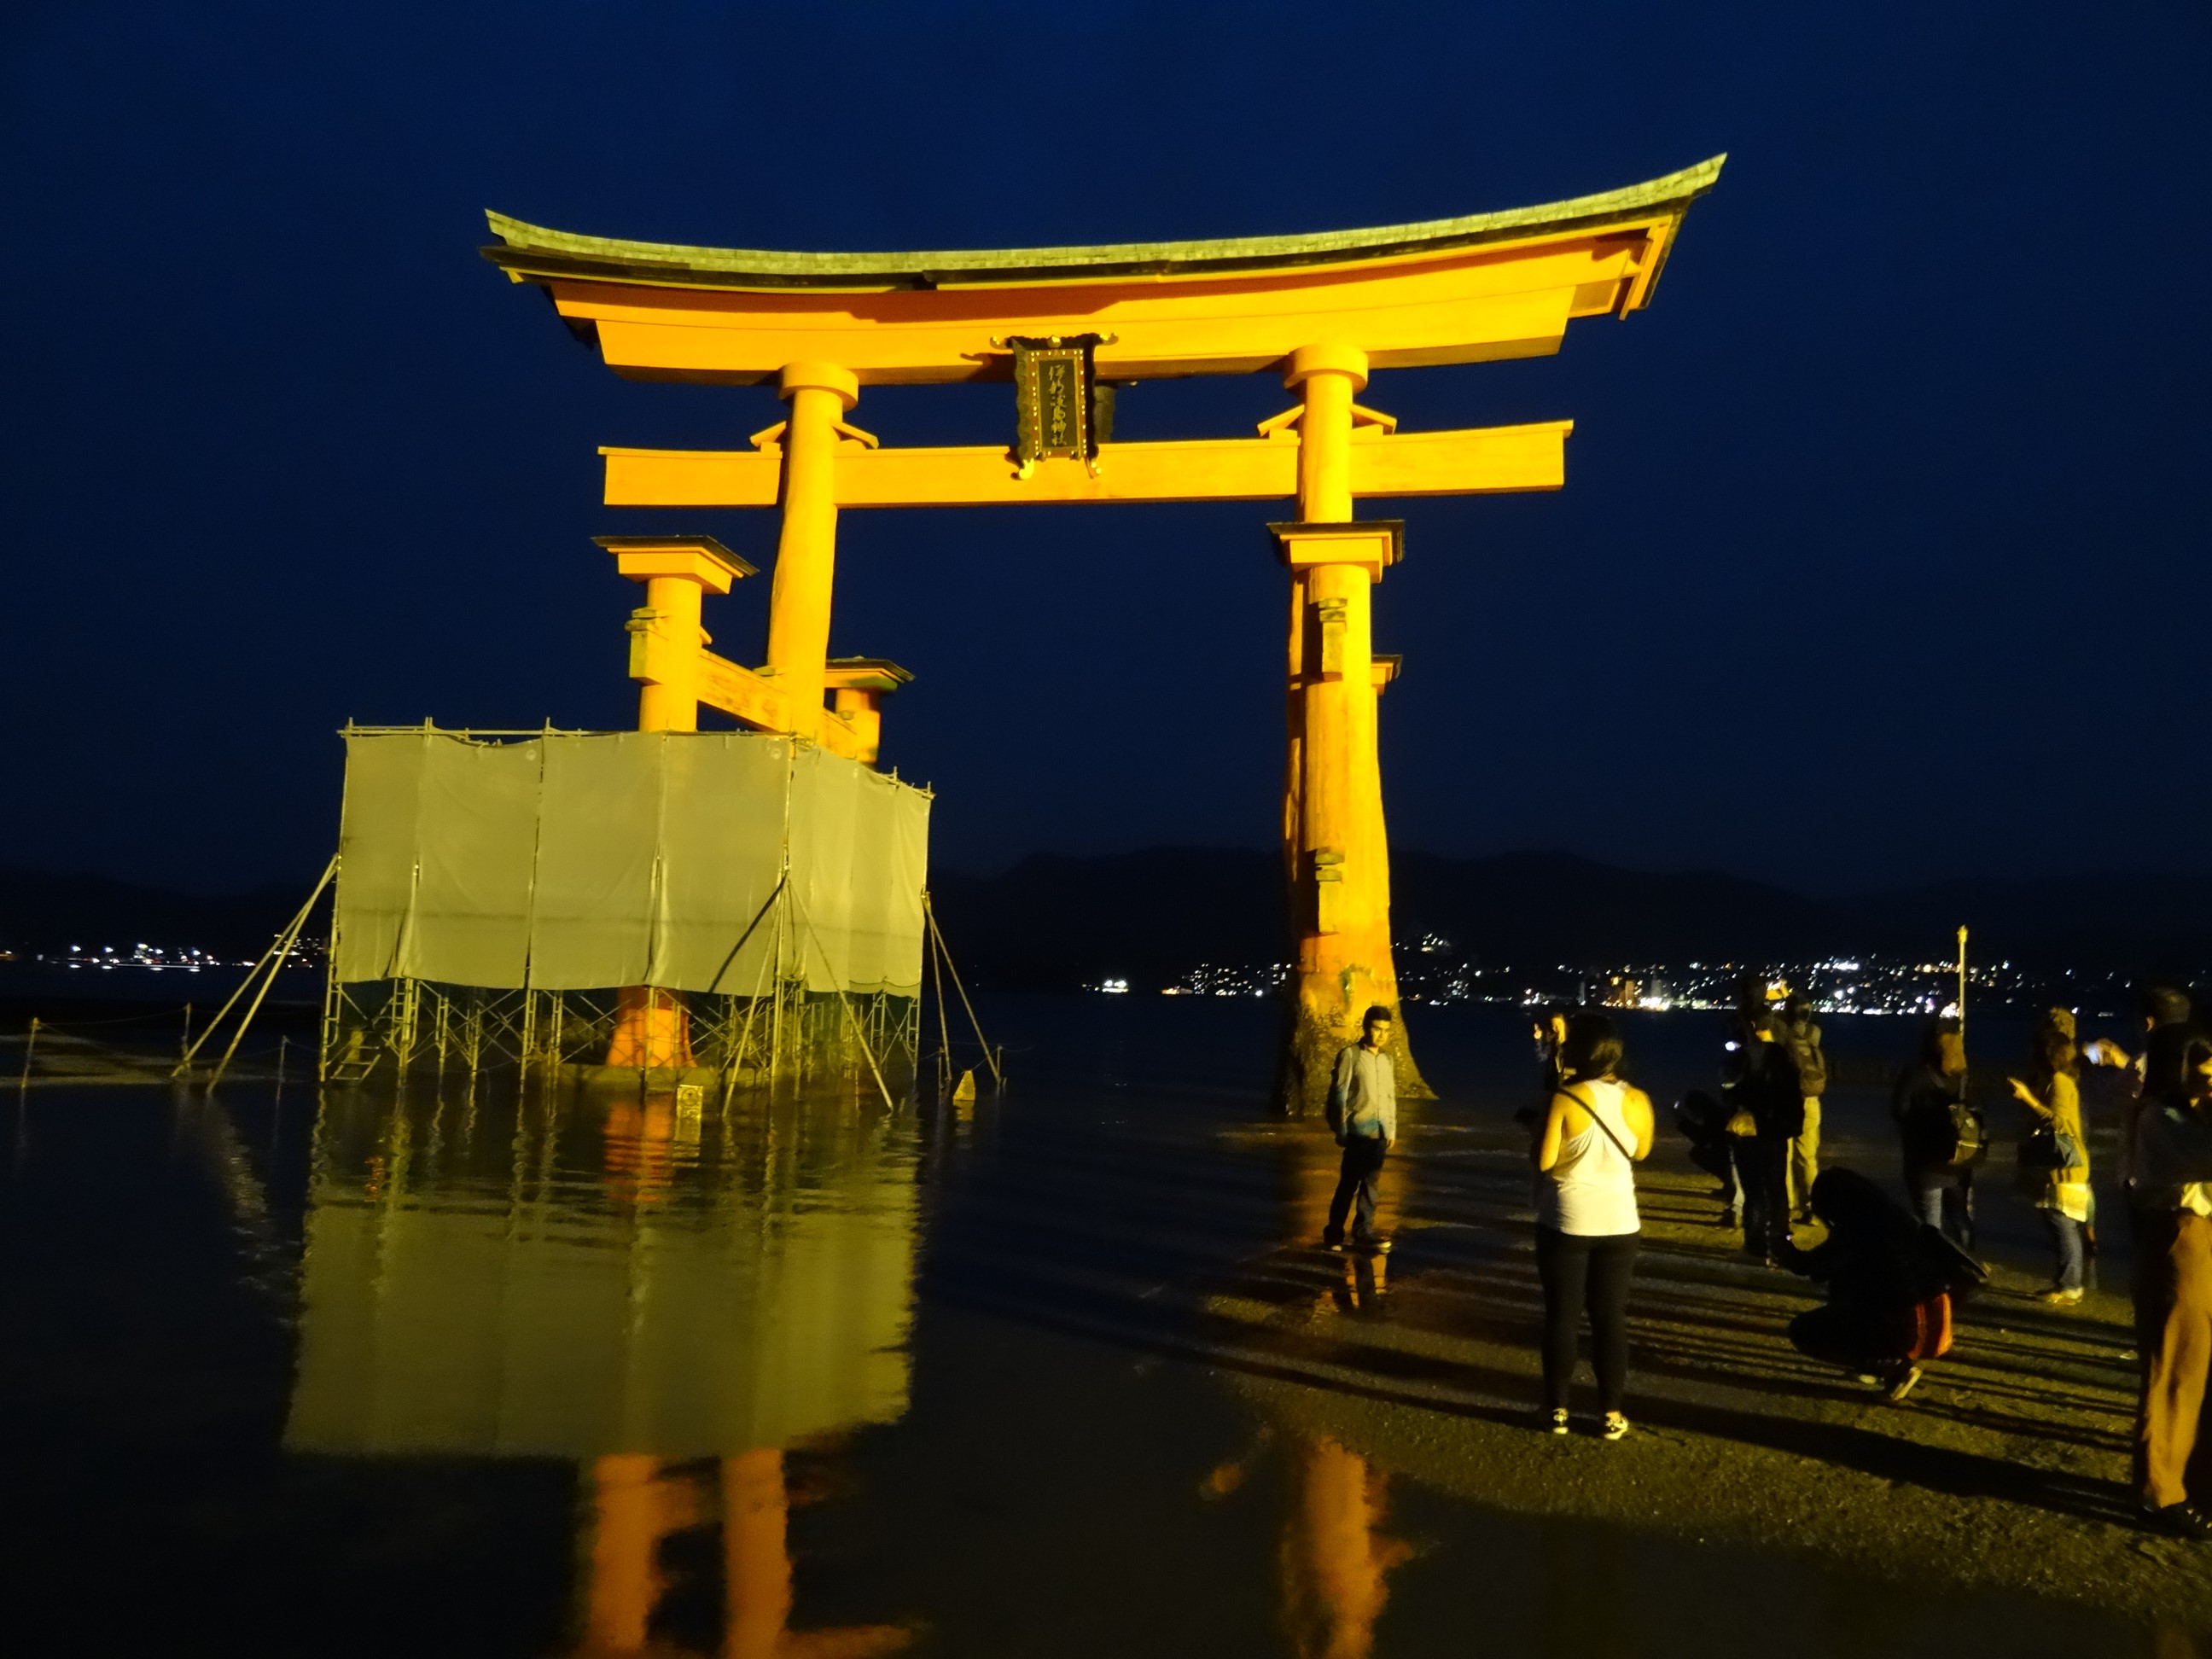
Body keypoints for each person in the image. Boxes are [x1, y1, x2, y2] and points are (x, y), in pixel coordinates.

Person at [1531, 1011, 1653, 1441]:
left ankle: (1557, 1409)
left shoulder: (1567, 1096)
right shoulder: (1638, 1099)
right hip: (1620, 1221)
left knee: (1562, 1317)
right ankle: (1611, 1413)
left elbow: (1545, 1161)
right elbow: (1640, 1153)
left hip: (1568, 1220)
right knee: (1610, 1319)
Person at [2128, 1032, 2212, 1538]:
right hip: (2178, 1238)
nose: (2211, 1081)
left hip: (2198, 1237)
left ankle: (2185, 1477)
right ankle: (2159, 1491)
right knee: (2174, 1368)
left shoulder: (2190, 1114)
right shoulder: (2161, 1117)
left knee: (2197, 1368)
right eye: (2202, 1073)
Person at [1779, 1169, 1946, 1403]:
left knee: (1804, 1330)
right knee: (1847, 1290)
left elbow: (1812, 1267)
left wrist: (1783, 1245)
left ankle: (1892, 1367)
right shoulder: (1892, 1216)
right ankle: (1881, 1360)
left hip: (1908, 1326)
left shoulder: (1858, 1229)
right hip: (1932, 1316)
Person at [2009, 1028, 2091, 1303]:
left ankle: (2070, 1285)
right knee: (2059, 1222)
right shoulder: (2058, 1079)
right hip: (2061, 1166)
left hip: (2066, 1166)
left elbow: (2060, 1123)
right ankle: (2066, 1282)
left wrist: (2029, 1099)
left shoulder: (2059, 1081)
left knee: (2061, 1222)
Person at [1893, 1017, 1976, 1249]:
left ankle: (1936, 1271)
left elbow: (1899, 1110)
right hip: (1959, 1164)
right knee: (1960, 1219)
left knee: (1931, 1225)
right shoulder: (1963, 1077)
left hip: (1925, 1163)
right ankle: (1967, 1263)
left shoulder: (1917, 1074)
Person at [1323, 1005, 1397, 1254]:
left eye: (1386, 1030)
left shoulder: (1387, 1060)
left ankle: (1363, 1231)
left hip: (1379, 1133)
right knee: (1348, 1184)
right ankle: (1334, 1232)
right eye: (1377, 1029)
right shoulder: (1350, 1055)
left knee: (1371, 1185)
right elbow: (1339, 1094)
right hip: (1357, 1132)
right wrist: (1340, 1129)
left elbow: (1390, 1097)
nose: (1381, 1035)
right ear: (1366, 1027)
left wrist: (1392, 1129)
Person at [1732, 1013, 1804, 1264]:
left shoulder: (1756, 1062)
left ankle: (1756, 1246)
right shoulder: (1787, 1064)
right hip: (1777, 1135)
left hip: (1754, 1134)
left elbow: (1737, 1093)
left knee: (1755, 1191)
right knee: (1776, 1189)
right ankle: (1780, 1242)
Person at [1779, 992, 1829, 1225]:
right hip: (1811, 1101)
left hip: (1786, 1100)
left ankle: (1786, 1206)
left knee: (1784, 1156)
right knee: (1808, 1158)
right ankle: (1812, 1208)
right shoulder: (1814, 1034)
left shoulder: (1782, 1032)